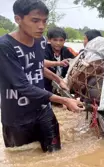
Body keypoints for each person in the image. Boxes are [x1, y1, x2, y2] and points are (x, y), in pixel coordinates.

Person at [0, 0, 84, 153]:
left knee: (55, 157)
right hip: (17, 119)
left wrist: (59, 80)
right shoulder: (5, 46)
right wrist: (64, 100)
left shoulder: (41, 41)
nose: (41, 26)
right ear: (18, 19)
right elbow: (22, 86)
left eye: (44, 21)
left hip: (43, 111)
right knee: (23, 166)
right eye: (35, 20)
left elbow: (38, 67)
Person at [44, 27, 78, 93]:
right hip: (46, 85)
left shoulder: (68, 50)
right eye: (55, 40)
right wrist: (59, 63)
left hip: (63, 84)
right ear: (49, 40)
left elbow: (77, 60)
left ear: (64, 41)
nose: (58, 43)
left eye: (61, 40)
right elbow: (40, 64)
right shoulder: (44, 50)